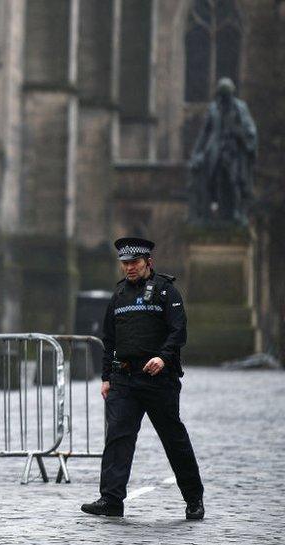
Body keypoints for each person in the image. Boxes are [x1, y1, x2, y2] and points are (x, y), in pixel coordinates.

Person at [81, 237, 205, 520]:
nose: (129, 268)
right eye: (125, 264)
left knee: (174, 440)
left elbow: (178, 332)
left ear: (148, 262)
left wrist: (163, 357)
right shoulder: (119, 295)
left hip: (159, 379)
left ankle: (194, 499)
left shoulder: (166, 292)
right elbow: (109, 339)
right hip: (124, 379)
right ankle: (111, 500)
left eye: (134, 263)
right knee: (118, 440)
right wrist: (106, 377)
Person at [188, 77, 257, 226]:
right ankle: (214, 213)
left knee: (234, 180)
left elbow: (249, 129)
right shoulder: (213, 109)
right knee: (214, 179)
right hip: (216, 149)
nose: (224, 99)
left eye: (227, 95)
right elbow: (204, 133)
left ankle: (237, 212)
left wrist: (244, 138)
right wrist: (196, 154)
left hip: (233, 151)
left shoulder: (240, 108)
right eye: (222, 95)